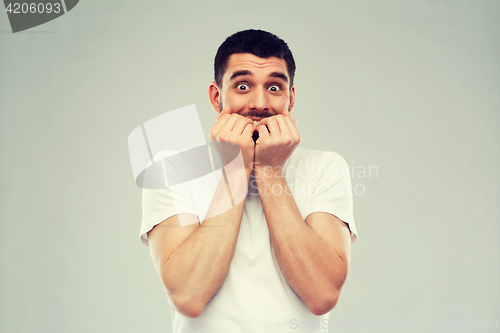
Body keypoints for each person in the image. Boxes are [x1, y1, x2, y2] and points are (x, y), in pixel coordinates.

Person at [140, 29, 358, 333]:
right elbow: (188, 295)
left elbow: (322, 294)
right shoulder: (170, 169)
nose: (259, 102)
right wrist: (237, 168)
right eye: (243, 86)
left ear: (290, 99)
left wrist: (268, 171)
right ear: (217, 97)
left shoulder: (325, 167)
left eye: (274, 87)